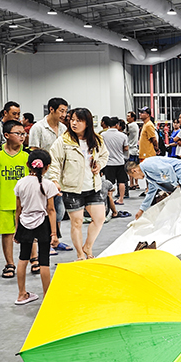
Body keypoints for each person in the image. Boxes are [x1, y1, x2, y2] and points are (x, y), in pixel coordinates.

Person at [45, 107, 108, 260]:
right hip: (72, 188)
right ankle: (80, 254)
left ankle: (88, 246)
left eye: (78, 121)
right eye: (72, 120)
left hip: (93, 186)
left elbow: (104, 155)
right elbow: (54, 162)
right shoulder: (63, 141)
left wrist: (99, 164)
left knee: (100, 218)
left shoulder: (97, 139)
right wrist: (55, 180)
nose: (74, 123)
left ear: (87, 123)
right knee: (77, 222)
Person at [13, 149, 60, 305]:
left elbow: (18, 209)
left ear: (28, 165)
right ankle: (47, 296)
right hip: (43, 223)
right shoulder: (48, 185)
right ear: (47, 167)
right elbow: (51, 210)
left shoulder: (20, 183)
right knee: (44, 260)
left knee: (23, 258)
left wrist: (16, 229)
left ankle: (21, 294)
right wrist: (54, 233)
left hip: (24, 222)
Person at [0, 120, 29, 279]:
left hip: (26, 203)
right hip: (4, 201)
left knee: (30, 233)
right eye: (18, 133)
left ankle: (34, 258)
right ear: (7, 135)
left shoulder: (28, 154)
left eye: (23, 133)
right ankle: (9, 264)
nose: (22, 136)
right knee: (7, 234)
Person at [28, 97, 70, 251]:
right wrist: (37, 177)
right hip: (44, 176)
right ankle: (44, 243)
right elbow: (34, 153)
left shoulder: (64, 129)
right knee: (45, 210)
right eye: (61, 111)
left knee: (59, 210)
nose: (64, 114)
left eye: (65, 111)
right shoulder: (38, 128)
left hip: (60, 176)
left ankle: (56, 240)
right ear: (51, 109)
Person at [127, 154, 181, 231]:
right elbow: (151, 192)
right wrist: (141, 210)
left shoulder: (147, 164)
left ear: (134, 170)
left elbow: (168, 168)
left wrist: (175, 183)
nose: (135, 178)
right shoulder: (148, 174)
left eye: (133, 176)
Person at [100, 118, 129, 206]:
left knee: (109, 182)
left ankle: (110, 199)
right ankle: (121, 199)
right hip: (120, 161)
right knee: (121, 181)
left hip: (109, 162)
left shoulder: (103, 135)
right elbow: (126, 148)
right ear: (117, 125)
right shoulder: (123, 135)